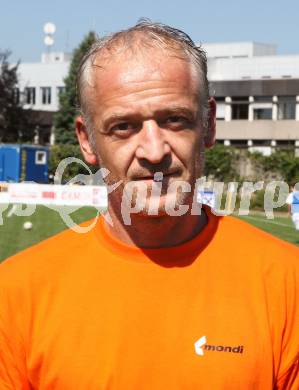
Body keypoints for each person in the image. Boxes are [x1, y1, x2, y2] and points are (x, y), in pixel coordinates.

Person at [0, 20, 298, 390]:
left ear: (208, 127)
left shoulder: (288, 282)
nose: (154, 151)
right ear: (87, 141)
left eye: (174, 119)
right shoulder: (15, 293)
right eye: (124, 126)